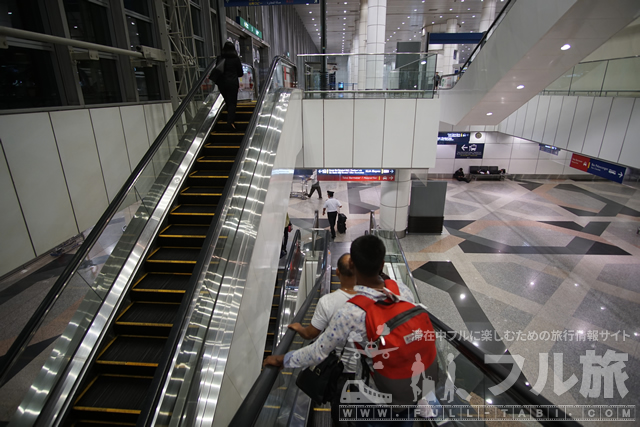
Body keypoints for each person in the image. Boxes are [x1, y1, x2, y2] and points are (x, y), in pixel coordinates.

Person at [265, 235, 436, 426]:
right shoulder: (402, 290)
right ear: (382, 264)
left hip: (374, 398)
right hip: (407, 389)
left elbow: (318, 352)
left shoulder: (351, 312)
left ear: (352, 265)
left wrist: (283, 359)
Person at [288, 253, 358, 426]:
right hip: (370, 372)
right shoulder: (373, 298)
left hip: (342, 373)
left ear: (337, 273)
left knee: (341, 414)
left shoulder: (327, 302)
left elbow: (311, 334)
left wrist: (299, 328)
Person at [217, 41, 243, 131]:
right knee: (232, 103)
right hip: (232, 83)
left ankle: (229, 119)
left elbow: (217, 70)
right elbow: (240, 73)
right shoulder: (236, 59)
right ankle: (230, 122)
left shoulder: (220, 58)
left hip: (222, 84)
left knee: (228, 102)